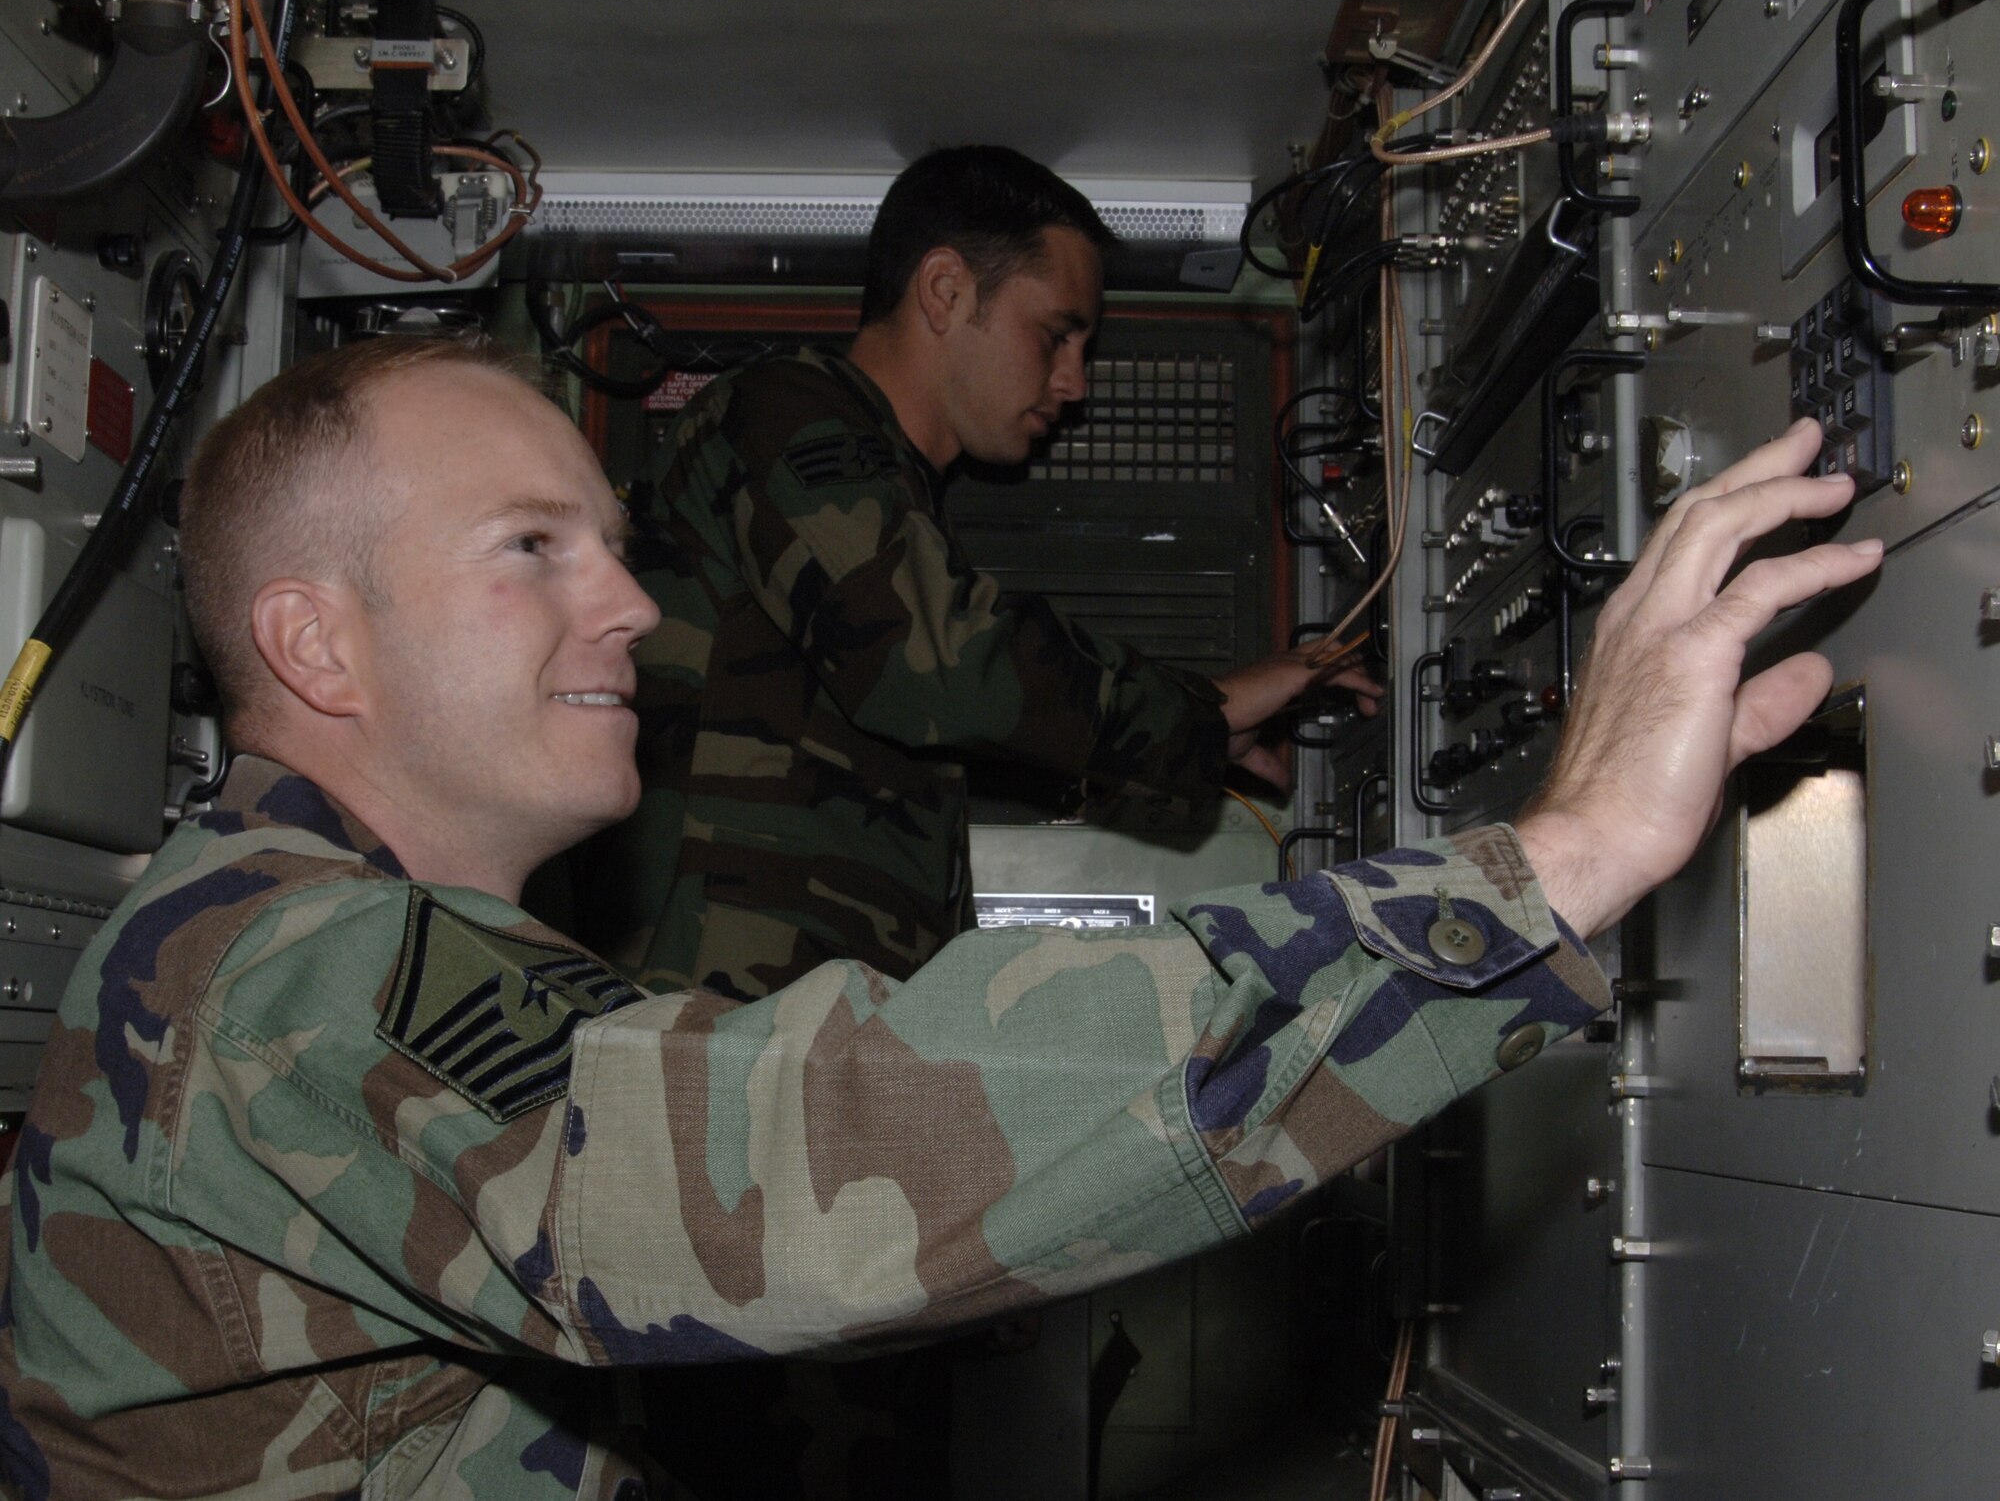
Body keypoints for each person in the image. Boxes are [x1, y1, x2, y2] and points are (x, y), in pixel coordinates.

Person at [0, 335, 1878, 1499]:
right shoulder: (275, 970)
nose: (638, 605)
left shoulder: (301, 937)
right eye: (531, 548)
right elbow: (762, 1160)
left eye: (610, 538)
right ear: (317, 641)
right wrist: (1546, 867)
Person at [586, 145, 1384, 998]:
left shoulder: (897, 503)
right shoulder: (785, 410)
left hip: (812, 1040)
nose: (1075, 382)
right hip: (719, 1038)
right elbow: (935, 664)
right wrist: (1199, 712)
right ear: (945, 291)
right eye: (1056, 334)